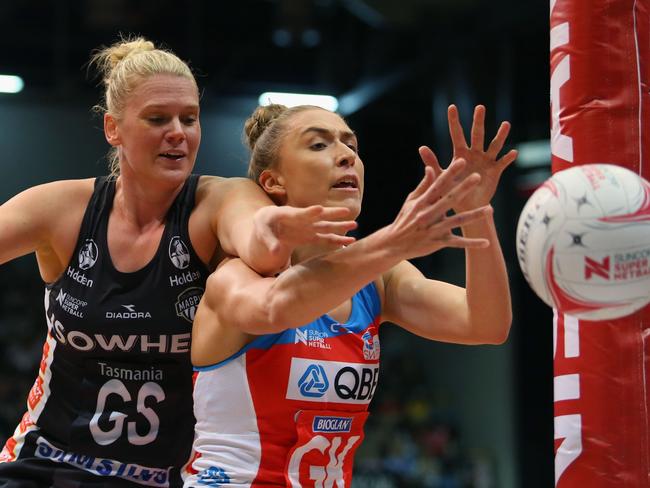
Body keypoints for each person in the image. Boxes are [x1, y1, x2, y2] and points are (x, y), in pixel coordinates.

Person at [0, 38, 357, 488]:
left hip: (169, 477)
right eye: (157, 119)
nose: (178, 132)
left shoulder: (218, 199)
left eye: (189, 119)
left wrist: (278, 227)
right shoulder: (58, 209)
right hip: (47, 461)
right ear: (113, 128)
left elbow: (259, 239)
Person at [186, 103, 516, 487]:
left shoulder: (378, 280)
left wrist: (477, 212)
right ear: (273, 182)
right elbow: (279, 306)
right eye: (318, 145)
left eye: (352, 146)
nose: (346, 156)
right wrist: (390, 243)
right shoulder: (238, 274)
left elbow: (486, 323)